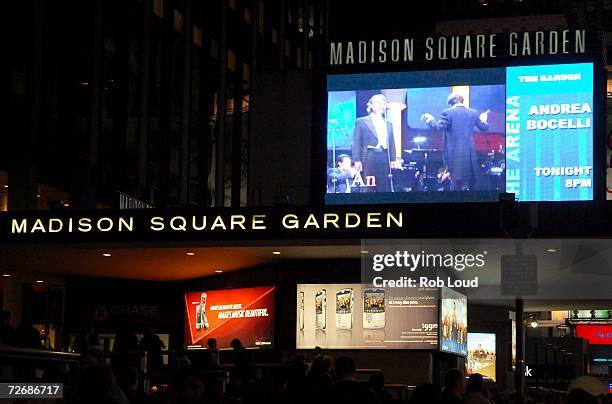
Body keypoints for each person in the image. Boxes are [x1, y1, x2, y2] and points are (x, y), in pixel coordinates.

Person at [421, 93, 489, 191]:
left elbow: (438, 127)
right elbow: (484, 127)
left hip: (454, 156)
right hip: (469, 155)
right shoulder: (473, 113)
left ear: (451, 103)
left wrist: (430, 120)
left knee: (456, 186)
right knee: (471, 185)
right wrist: (484, 120)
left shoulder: (448, 113)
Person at [352, 94, 401, 193]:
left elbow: (391, 142)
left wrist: (393, 159)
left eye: (382, 102)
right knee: (368, 184)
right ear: (370, 105)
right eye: (377, 102)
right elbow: (356, 141)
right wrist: (356, 160)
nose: (380, 104)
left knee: (384, 185)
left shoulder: (388, 123)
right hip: (369, 155)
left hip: (384, 156)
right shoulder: (361, 121)